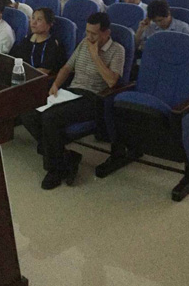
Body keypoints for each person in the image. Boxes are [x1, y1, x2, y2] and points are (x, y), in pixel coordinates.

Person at [22, 12, 125, 190]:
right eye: (87, 32)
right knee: (28, 112)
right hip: (71, 92)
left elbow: (111, 81)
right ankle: (65, 156)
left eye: (94, 34)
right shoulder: (84, 43)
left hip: (95, 98)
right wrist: (55, 85)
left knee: (50, 118)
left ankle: (55, 169)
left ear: (106, 33)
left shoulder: (117, 50)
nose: (89, 37)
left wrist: (95, 56)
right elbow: (67, 67)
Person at [11, 8, 66, 75]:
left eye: (39, 19)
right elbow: (13, 59)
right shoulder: (26, 39)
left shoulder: (53, 44)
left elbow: (44, 71)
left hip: (40, 79)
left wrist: (22, 74)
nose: (33, 23)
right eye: (33, 18)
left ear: (49, 24)